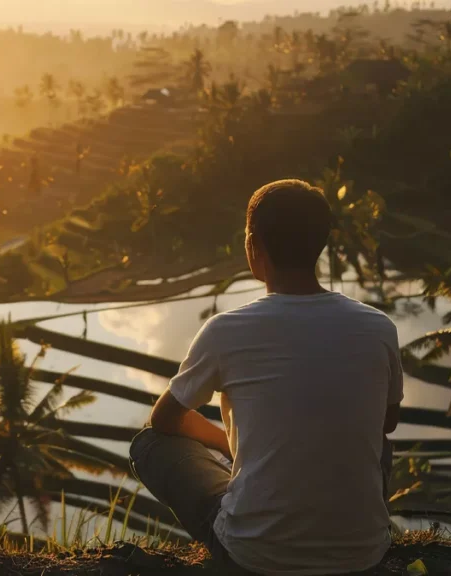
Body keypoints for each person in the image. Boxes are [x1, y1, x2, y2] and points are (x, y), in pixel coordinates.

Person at [130, 179, 403, 575]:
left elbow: (164, 419)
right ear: (320, 243)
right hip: (363, 552)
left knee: (150, 444)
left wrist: (226, 444)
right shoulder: (378, 327)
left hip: (253, 556)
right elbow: (387, 422)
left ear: (252, 245)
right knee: (376, 442)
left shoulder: (226, 331)